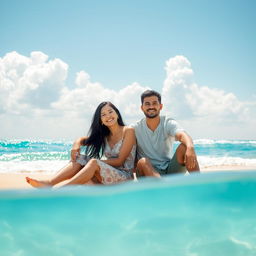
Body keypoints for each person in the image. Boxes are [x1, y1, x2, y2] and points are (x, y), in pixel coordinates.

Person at [26, 102, 136, 187]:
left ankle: (62, 189)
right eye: (103, 115)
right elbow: (82, 140)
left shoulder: (128, 130)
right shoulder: (104, 135)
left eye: (110, 112)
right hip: (108, 175)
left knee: (92, 162)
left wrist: (92, 163)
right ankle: (50, 183)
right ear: (101, 120)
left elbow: (119, 161)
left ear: (117, 113)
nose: (108, 116)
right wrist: (76, 145)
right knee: (80, 158)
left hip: (125, 177)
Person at [133, 90, 200, 178]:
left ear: (160, 106)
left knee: (185, 146)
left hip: (169, 170)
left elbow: (182, 135)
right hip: (147, 172)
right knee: (142, 161)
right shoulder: (135, 128)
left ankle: (200, 182)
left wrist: (190, 147)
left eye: (154, 103)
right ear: (142, 108)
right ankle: (162, 187)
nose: (151, 106)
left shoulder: (167, 122)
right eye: (147, 104)